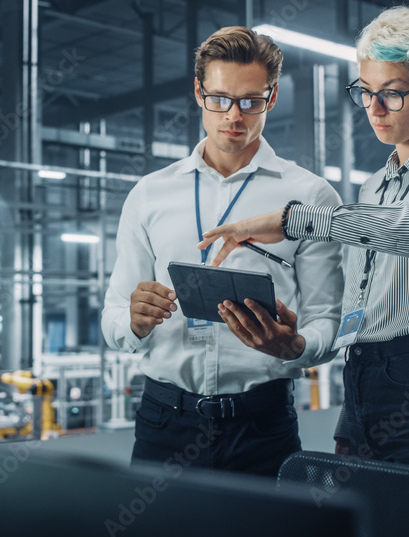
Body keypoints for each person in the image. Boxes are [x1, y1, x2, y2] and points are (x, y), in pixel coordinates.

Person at [198, 7, 409, 477]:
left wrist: (298, 220)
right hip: (365, 381)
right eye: (364, 91)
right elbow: (368, 303)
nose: (374, 108)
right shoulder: (375, 187)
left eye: (392, 93)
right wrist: (296, 330)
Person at [101, 26, 344, 478]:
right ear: (199, 92)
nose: (234, 115)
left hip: (262, 425)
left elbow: (328, 320)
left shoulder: (310, 197)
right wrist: (132, 322)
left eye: (251, 101)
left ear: (271, 98)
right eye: (220, 99)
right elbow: (113, 316)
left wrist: (295, 345)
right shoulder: (150, 194)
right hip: (164, 422)